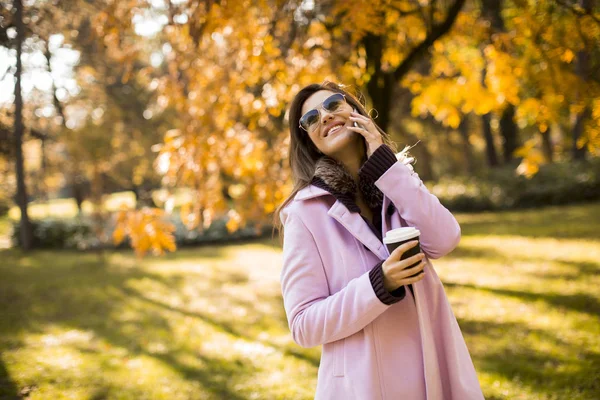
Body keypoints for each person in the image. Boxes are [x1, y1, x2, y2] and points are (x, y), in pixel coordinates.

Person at [273, 81, 484, 399]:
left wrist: (388, 166)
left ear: (355, 112)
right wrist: (378, 284)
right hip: (366, 384)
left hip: (433, 369)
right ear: (309, 141)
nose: (325, 117)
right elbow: (303, 324)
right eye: (311, 118)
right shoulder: (304, 212)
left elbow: (445, 238)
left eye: (333, 104)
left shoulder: (397, 178)